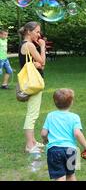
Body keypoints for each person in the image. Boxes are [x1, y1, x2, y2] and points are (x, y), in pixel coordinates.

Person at [41, 89, 86, 181]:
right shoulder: (75, 117)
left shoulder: (50, 115)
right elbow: (77, 133)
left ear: (54, 102)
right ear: (71, 102)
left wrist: (45, 140)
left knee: (60, 177)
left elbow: (44, 133)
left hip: (54, 150)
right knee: (71, 175)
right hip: (70, 150)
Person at [18, 22, 46, 154]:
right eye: (37, 31)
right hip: (33, 83)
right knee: (32, 114)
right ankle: (29, 145)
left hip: (30, 83)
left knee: (33, 113)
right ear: (29, 32)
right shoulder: (29, 45)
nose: (38, 34)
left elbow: (39, 64)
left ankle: (33, 141)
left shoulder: (24, 45)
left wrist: (38, 64)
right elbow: (43, 61)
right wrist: (43, 46)